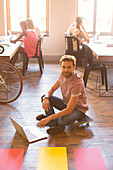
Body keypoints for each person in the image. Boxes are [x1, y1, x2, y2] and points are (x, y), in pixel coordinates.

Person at [37, 55, 89, 135]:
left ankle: (56, 124)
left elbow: (69, 110)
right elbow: (52, 89)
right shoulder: (63, 75)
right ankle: (53, 122)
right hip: (67, 104)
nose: (66, 70)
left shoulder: (77, 83)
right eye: (63, 67)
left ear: (74, 67)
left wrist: (48, 118)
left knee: (63, 120)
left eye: (69, 67)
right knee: (44, 97)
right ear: (61, 66)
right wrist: (46, 97)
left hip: (77, 109)